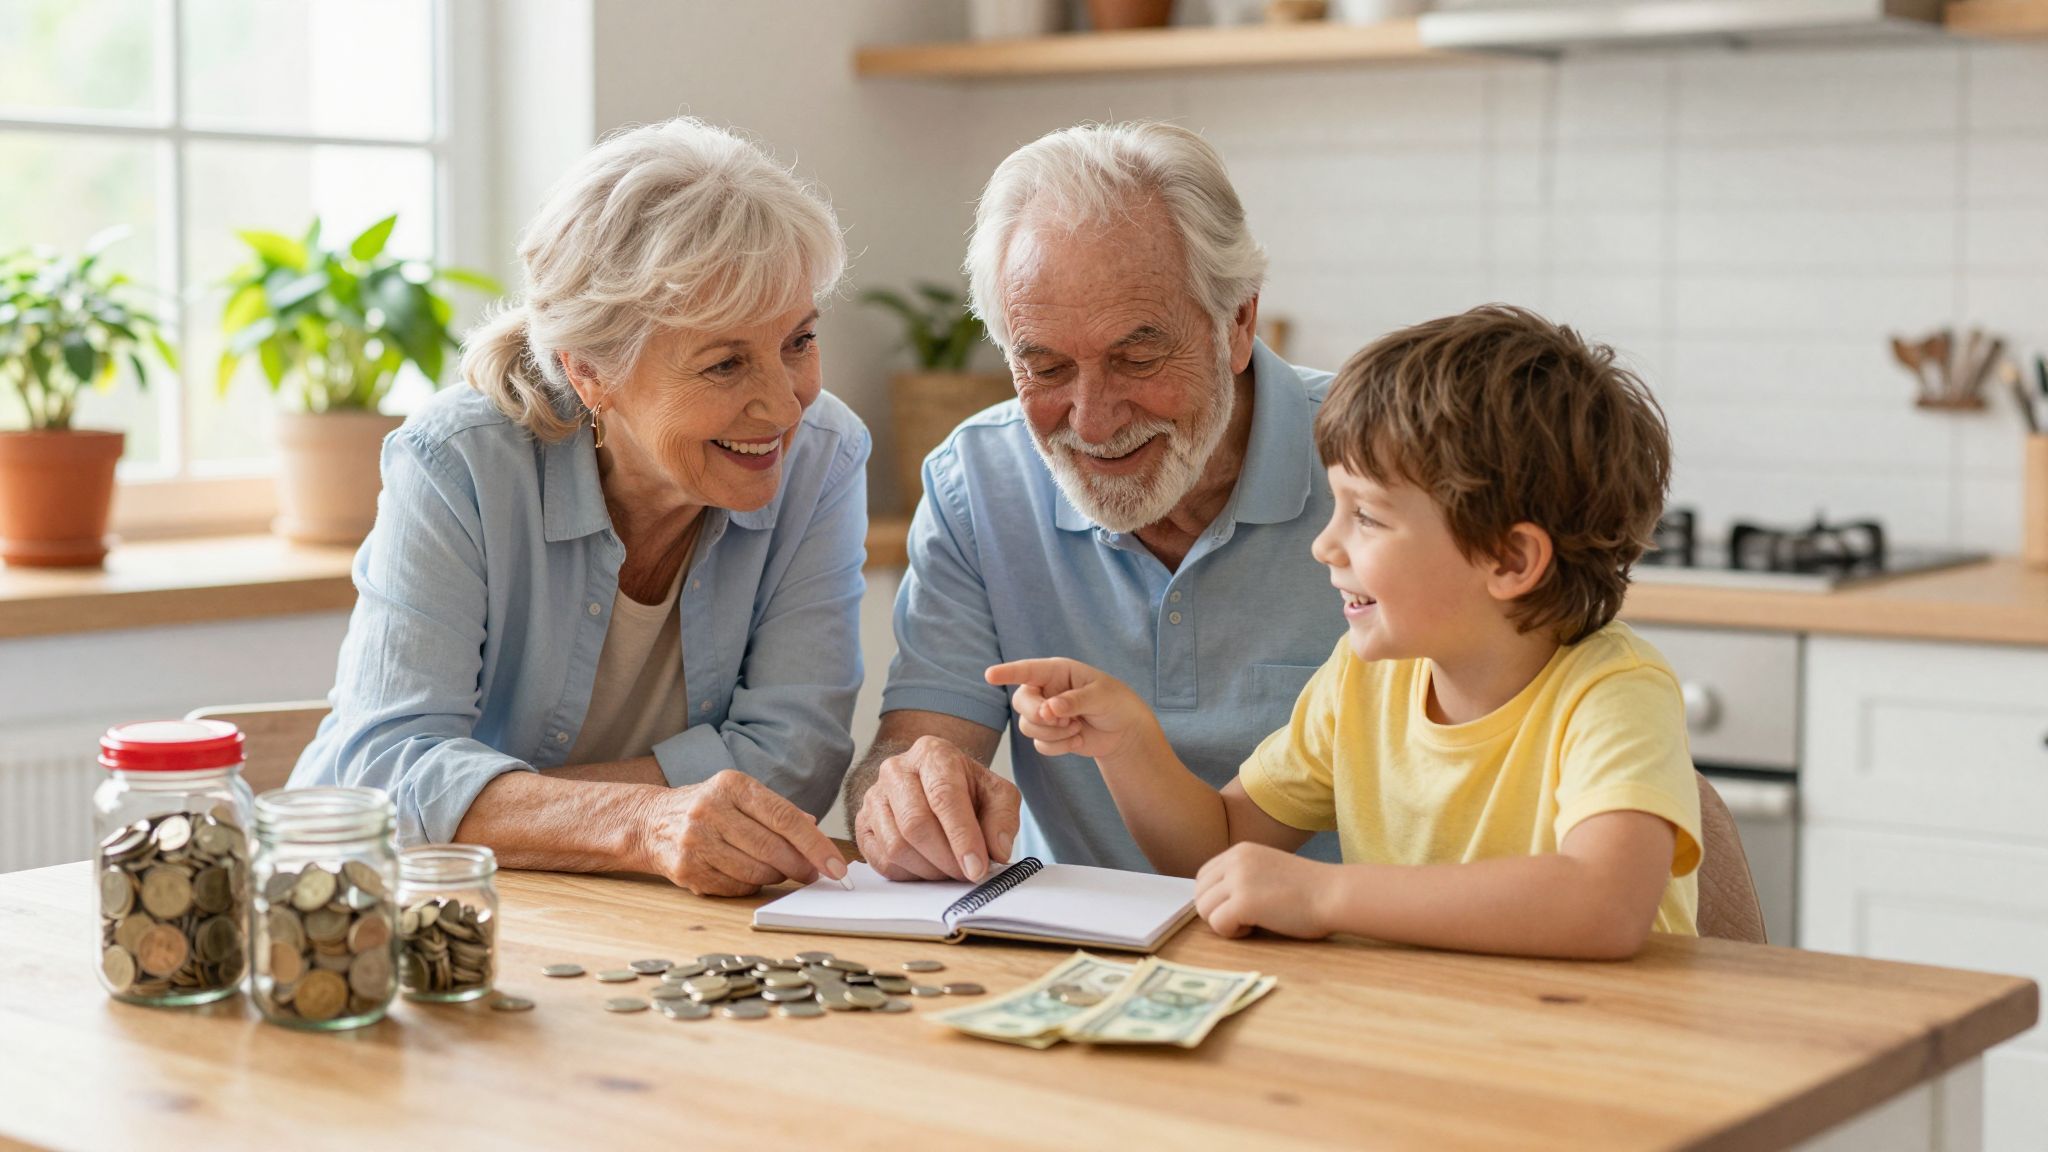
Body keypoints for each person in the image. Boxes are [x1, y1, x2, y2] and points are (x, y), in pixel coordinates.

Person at [989, 305, 1701, 958]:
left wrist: (1327, 895)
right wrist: (1128, 742)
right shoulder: (1363, 681)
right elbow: (1220, 847)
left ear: (1509, 560)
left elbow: (1605, 904)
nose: (1325, 545)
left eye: (1367, 516)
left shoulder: (1612, 693)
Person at [293, 118, 864, 896]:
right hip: (395, 904)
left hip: (642, 911)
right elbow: (389, 774)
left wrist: (498, 808)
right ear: (589, 372)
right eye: (726, 364)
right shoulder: (459, 459)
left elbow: (795, 761)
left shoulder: (823, 454)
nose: (785, 405)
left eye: (798, 342)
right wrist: (640, 822)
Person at [845, 121, 1347, 881]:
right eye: (1045, 368)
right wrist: (905, 801)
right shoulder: (978, 480)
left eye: (1137, 358)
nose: (1092, 421)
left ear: (1238, 322)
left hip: (1349, 938)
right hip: (1071, 936)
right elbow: (917, 746)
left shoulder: (1384, 468)